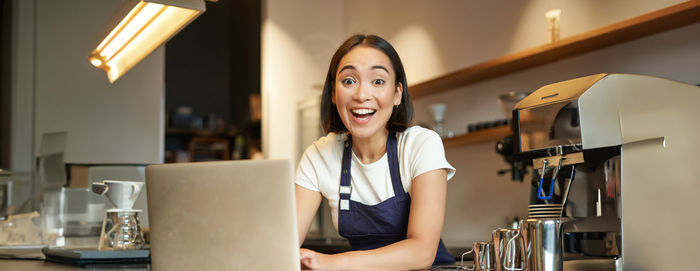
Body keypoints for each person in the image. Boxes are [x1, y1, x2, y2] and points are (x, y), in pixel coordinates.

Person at [294, 34, 456, 270]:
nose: (361, 95)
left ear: (397, 93)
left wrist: (330, 262)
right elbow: (284, 243)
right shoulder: (319, 155)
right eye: (349, 81)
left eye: (378, 81)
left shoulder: (421, 144)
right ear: (332, 93)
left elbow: (422, 253)